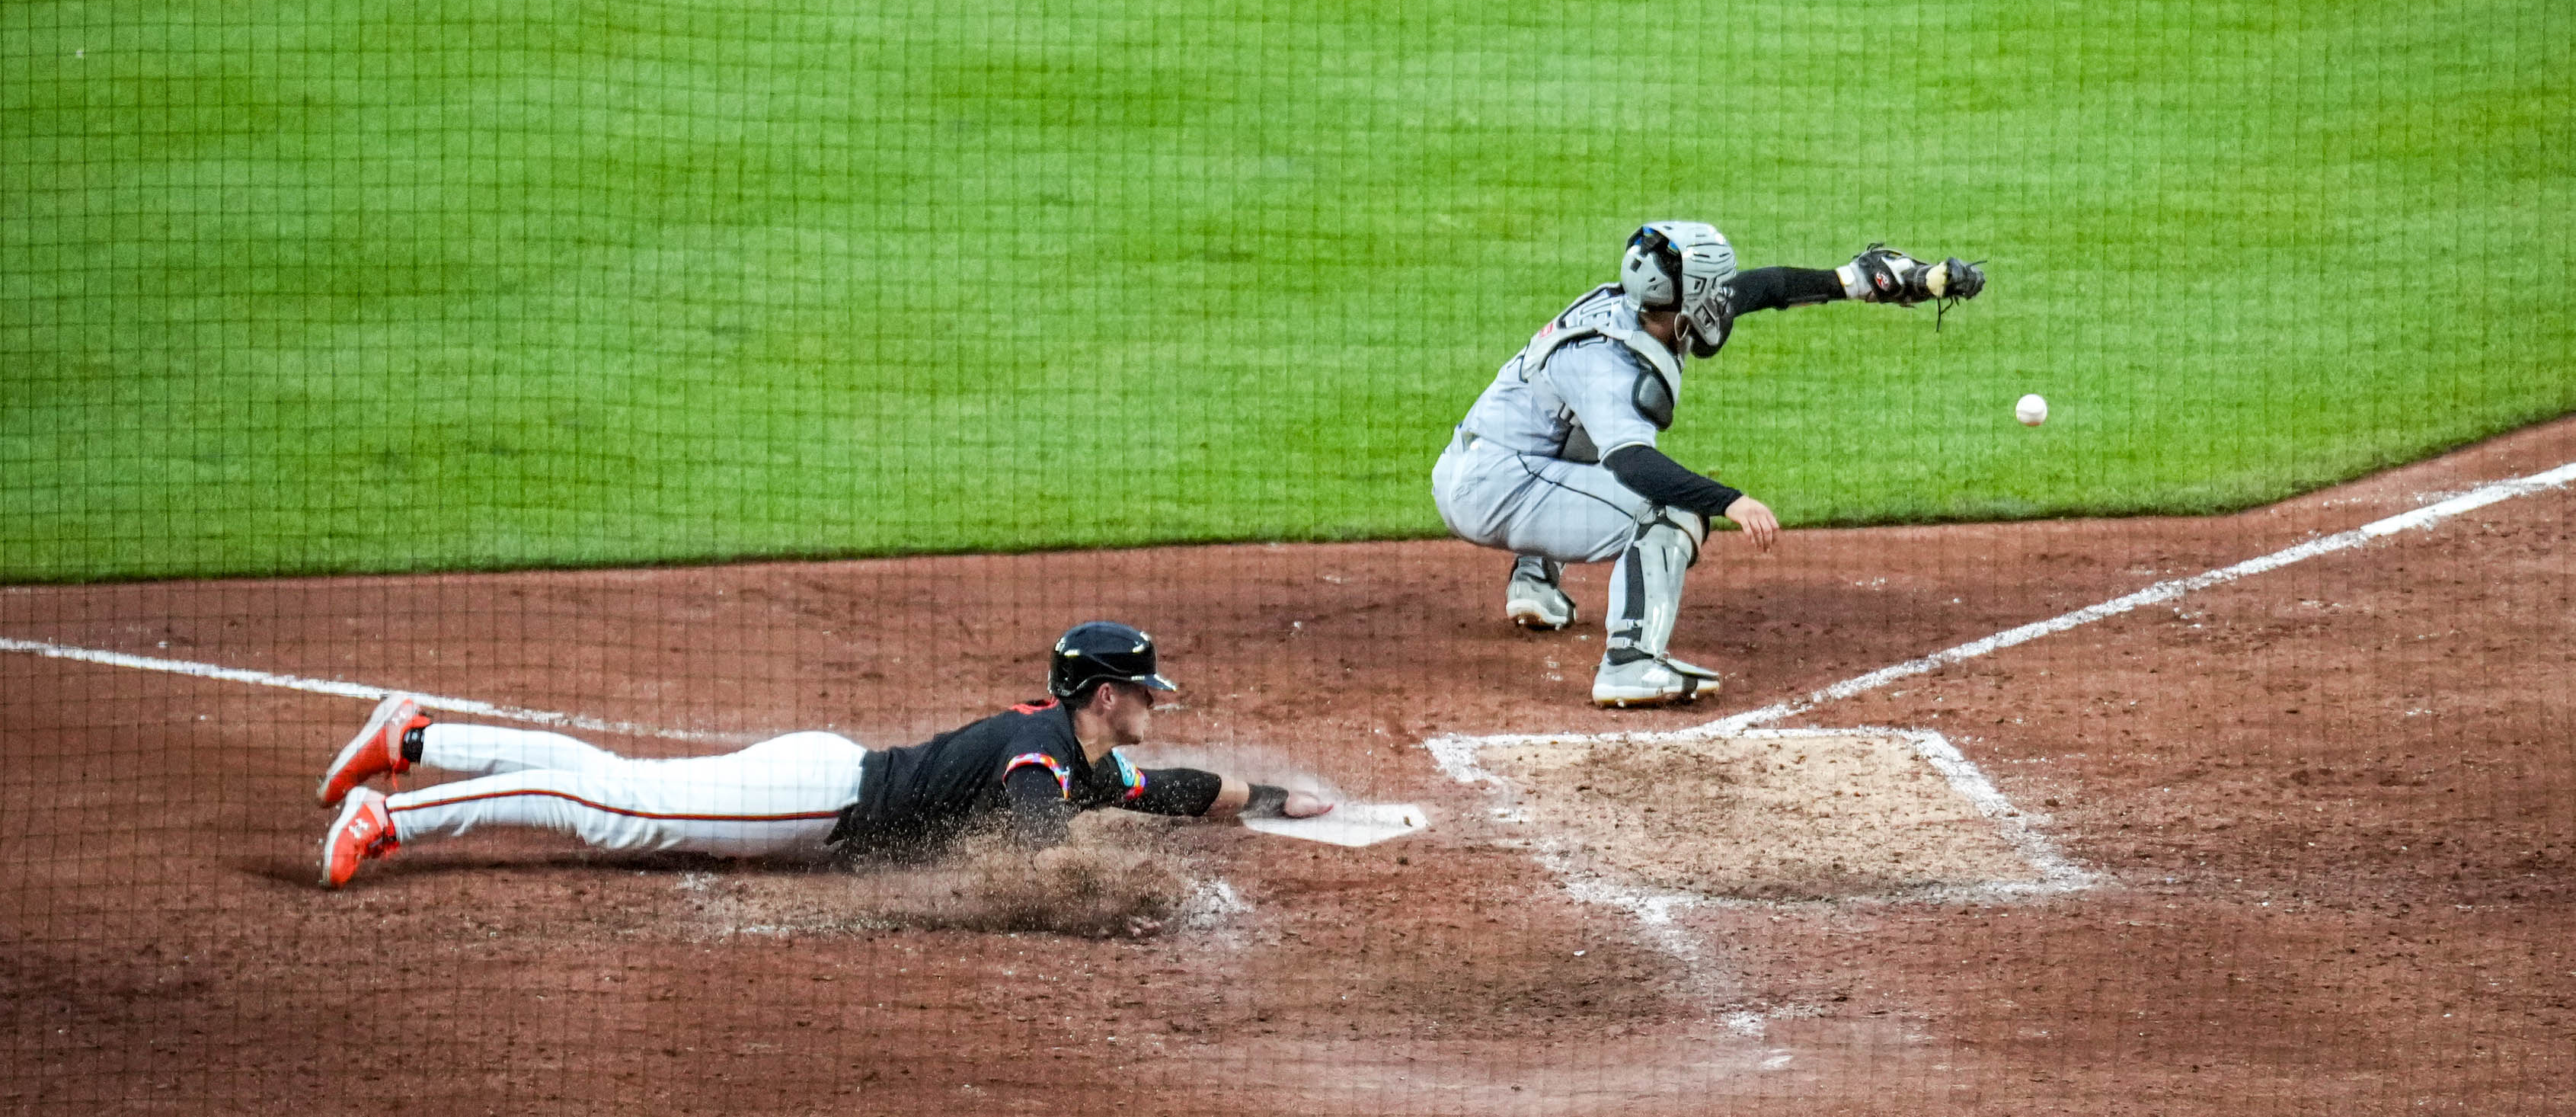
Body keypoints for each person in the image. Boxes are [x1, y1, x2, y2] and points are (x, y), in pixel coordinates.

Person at [318, 621, 1331, 888]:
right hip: (809, 799)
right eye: (1147, 692)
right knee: (612, 810)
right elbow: (1036, 842)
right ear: (1105, 696)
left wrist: (1274, 797)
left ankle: (414, 734)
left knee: (616, 781)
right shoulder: (1040, 754)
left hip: (823, 777)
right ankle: (394, 809)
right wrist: (1091, 880)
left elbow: (1169, 791)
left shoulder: (1079, 753)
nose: (1156, 705)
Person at [1433, 225, 1984, 708]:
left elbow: (1760, 290)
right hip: (1494, 489)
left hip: (1498, 462)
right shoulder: (1607, 362)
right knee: (1670, 510)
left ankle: (1534, 579)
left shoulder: (1644, 311)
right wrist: (1727, 499)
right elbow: (1633, 464)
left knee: (1577, 431)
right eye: (1714, 284)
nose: (1724, 293)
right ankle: (1630, 662)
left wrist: (1853, 280)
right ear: (1689, 294)